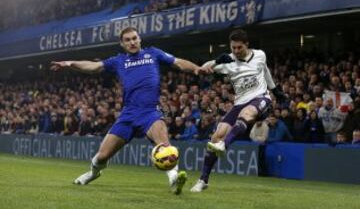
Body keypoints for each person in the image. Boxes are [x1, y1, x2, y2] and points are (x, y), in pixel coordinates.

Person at [51, 27, 201, 195]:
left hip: (150, 111)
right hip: (128, 114)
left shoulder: (153, 53)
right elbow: (93, 67)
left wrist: (197, 68)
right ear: (122, 44)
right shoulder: (118, 61)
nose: (132, 42)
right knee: (102, 156)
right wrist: (70, 63)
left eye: (135, 38)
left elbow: (178, 62)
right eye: (128, 40)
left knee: (164, 144)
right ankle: (93, 173)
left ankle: (173, 178)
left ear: (140, 39)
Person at [190, 29, 285, 192]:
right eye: (233, 47)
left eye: (239, 47)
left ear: (246, 45)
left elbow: (265, 70)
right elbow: (202, 70)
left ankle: (225, 145)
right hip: (240, 102)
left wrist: (274, 90)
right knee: (216, 137)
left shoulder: (260, 55)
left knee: (246, 114)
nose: (235, 51)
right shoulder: (228, 61)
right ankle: (203, 180)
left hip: (261, 99)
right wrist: (216, 61)